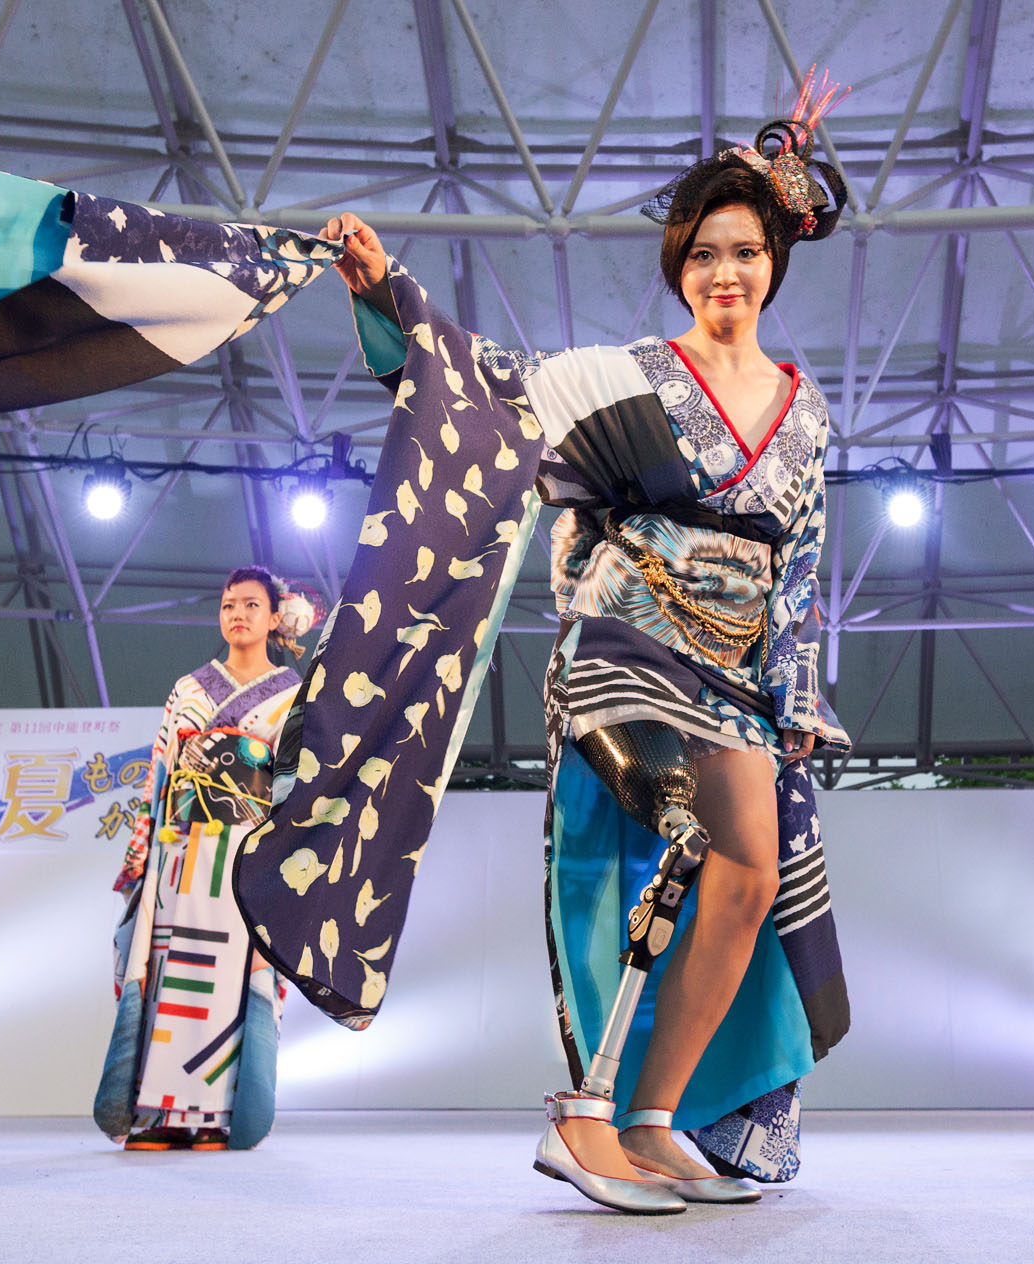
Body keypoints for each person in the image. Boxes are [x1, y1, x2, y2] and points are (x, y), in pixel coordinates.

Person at [237, 81, 855, 1214]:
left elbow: (803, 561)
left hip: (733, 666)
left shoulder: (805, 410)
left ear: (775, 260)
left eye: (745, 251)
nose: (724, 273)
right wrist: (390, 295)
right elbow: (483, 395)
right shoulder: (620, 374)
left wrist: (795, 690)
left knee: (752, 874)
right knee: (671, 842)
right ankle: (584, 1113)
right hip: (623, 642)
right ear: (677, 267)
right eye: (704, 254)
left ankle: (654, 1117)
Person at [93, 566, 312, 1151]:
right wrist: (143, 845)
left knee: (228, 976)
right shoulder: (188, 688)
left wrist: (280, 860)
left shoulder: (292, 693)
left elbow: (291, 782)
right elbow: (160, 770)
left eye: (250, 604)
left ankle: (212, 1115)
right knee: (167, 969)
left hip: (243, 852)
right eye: (228, 604)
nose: (237, 614)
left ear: (274, 617)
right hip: (179, 844)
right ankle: (155, 1113)